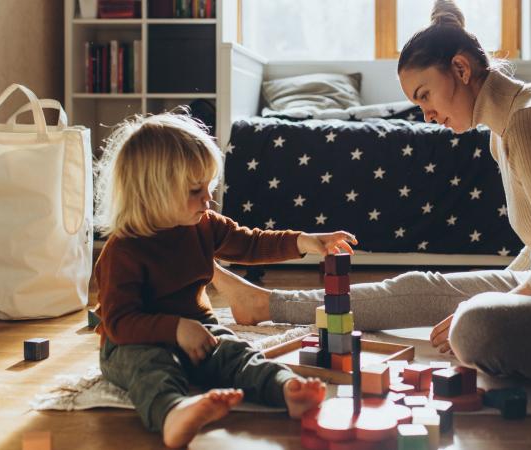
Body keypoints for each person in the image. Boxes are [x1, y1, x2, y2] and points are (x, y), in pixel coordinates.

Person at [217, 0, 531, 384]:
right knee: (422, 288)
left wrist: (492, 303)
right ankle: (264, 303)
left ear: (460, 68)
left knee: (473, 327)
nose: (427, 115)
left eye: (425, 95)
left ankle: (480, 314)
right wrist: (499, 290)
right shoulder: (505, 125)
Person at [93, 111, 357, 448]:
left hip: (199, 329)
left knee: (236, 352)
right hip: (132, 342)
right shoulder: (124, 250)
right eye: (194, 190)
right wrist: (175, 328)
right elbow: (119, 322)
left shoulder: (204, 223)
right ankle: (172, 413)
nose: (208, 199)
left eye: (209, 187)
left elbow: (250, 242)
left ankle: (284, 389)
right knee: (152, 368)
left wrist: (302, 240)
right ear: (151, 192)